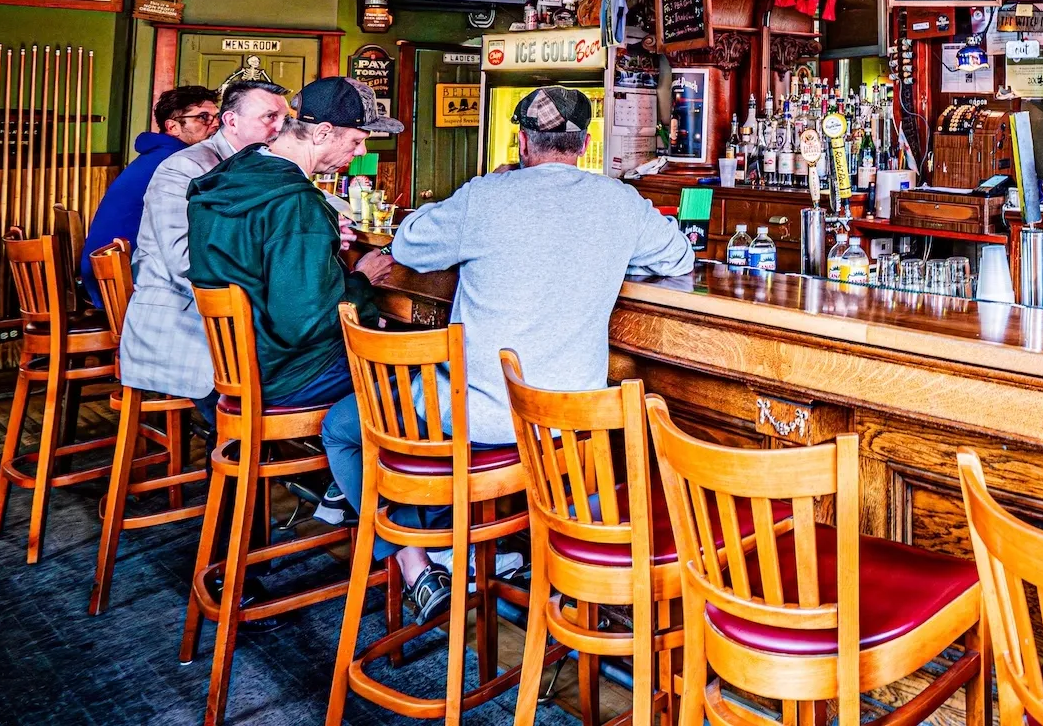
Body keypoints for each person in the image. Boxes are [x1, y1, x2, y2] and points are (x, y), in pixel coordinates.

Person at [325, 85, 691, 614]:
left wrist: (489, 187)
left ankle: (421, 559)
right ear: (585, 143)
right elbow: (678, 257)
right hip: (567, 423)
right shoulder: (620, 202)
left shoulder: (486, 196)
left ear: (521, 141)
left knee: (342, 428)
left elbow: (406, 244)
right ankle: (478, 551)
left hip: (478, 419)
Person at [186, 76, 399, 411]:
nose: (362, 151)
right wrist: (361, 282)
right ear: (323, 133)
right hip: (288, 374)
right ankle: (359, 457)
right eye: (358, 140)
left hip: (238, 365)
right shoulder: (296, 204)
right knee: (421, 371)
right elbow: (305, 324)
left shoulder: (231, 176)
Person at [117, 79, 290, 410]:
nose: (280, 128)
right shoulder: (186, 167)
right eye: (269, 117)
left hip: (228, 323)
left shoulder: (262, 166)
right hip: (187, 326)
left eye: (285, 119)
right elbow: (187, 260)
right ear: (232, 121)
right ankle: (245, 451)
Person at [79, 86, 220, 303]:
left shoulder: (160, 154)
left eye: (216, 116)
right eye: (203, 117)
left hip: (107, 275)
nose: (215, 123)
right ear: (172, 126)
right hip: (119, 284)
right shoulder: (177, 163)